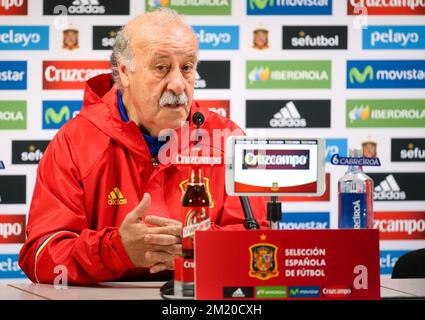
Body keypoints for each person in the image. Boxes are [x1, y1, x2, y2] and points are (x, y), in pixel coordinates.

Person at [19, 9, 267, 285]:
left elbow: (263, 249)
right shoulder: (75, 143)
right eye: (161, 68)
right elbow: (42, 256)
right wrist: (116, 251)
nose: (178, 84)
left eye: (187, 68)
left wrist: (202, 247)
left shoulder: (228, 140)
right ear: (124, 72)